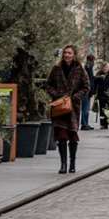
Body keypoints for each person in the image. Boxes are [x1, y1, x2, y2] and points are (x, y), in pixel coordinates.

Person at [44, 44, 89, 174]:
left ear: (74, 55)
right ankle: (63, 164)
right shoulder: (56, 69)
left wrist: (76, 96)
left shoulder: (79, 69)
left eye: (69, 53)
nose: (66, 55)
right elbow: (48, 85)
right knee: (61, 136)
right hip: (59, 106)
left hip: (73, 107)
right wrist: (56, 95)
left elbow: (86, 87)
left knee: (73, 135)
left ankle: (72, 163)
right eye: (65, 53)